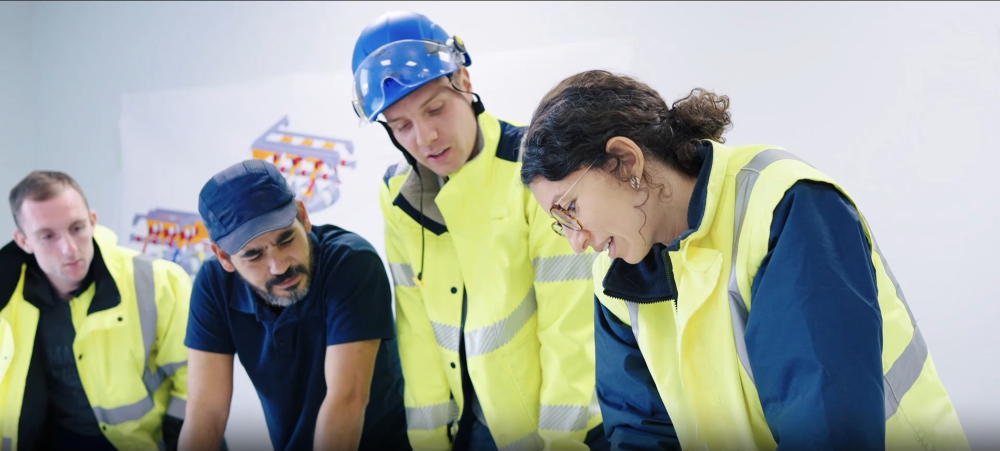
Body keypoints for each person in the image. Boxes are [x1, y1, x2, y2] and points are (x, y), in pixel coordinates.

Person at [518, 69, 971, 451]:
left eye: (569, 209)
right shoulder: (615, 277)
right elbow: (641, 431)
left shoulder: (784, 206)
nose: (576, 242)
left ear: (625, 161)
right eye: (560, 223)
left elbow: (824, 422)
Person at [350, 11, 608, 451]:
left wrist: (562, 442)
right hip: (470, 431)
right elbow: (416, 332)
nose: (425, 137)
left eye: (435, 108)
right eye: (402, 126)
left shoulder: (536, 169)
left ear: (464, 81)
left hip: (563, 429)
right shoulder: (398, 194)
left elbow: (572, 327)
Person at [177, 159, 409, 451]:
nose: (278, 266)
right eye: (253, 255)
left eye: (286, 240)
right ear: (223, 257)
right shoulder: (213, 286)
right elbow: (205, 414)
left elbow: (346, 399)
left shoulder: (351, 262)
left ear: (303, 216)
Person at [0, 171, 190, 451]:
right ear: (23, 241)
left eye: (76, 228)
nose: (69, 249)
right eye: (47, 236)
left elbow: (195, 384)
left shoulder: (157, 280)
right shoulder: (6, 296)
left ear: (92, 221)